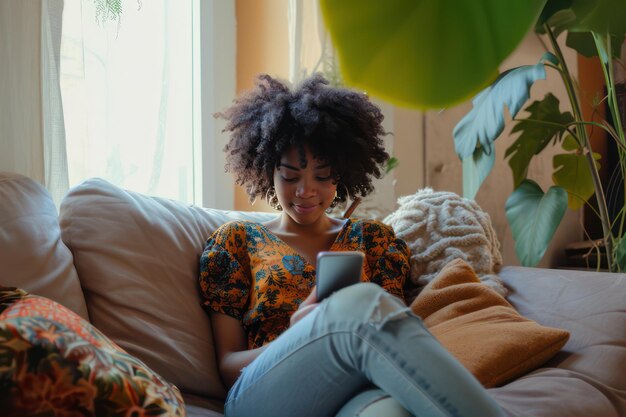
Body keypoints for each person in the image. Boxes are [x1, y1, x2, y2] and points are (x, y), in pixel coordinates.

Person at [198, 74, 505, 417]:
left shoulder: (374, 241)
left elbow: (390, 344)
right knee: (360, 302)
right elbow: (228, 366)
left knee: (393, 412)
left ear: (342, 173)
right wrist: (296, 334)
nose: (306, 191)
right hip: (264, 396)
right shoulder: (236, 241)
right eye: (290, 176)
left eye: (323, 175)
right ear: (267, 169)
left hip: (353, 390)